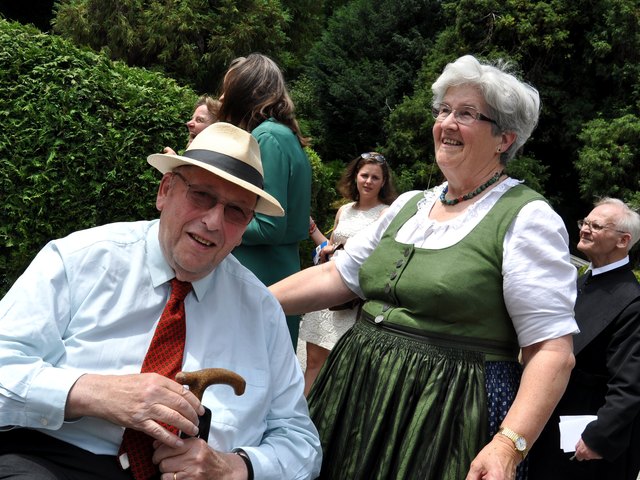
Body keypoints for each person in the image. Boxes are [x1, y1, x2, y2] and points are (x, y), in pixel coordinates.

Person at [270, 54, 578, 479]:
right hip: (357, 389)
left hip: (446, 410)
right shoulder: (410, 204)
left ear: (504, 139)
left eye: (466, 114)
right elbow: (337, 274)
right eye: (444, 110)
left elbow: (552, 352)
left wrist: (509, 445)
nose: (447, 123)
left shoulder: (527, 217)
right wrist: (255, 302)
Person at [0, 122, 322, 480]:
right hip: (58, 461)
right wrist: (92, 392)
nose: (213, 221)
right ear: (165, 190)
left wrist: (234, 467)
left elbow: (301, 443)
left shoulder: (261, 311)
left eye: (236, 211)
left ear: (246, 225)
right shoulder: (79, 260)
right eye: (201, 195)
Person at [529, 198, 640, 480]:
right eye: (585, 222)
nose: (585, 229)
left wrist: (599, 437)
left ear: (623, 240)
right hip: (549, 423)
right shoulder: (580, 281)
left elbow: (630, 382)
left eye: (596, 226)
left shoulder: (633, 301)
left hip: (583, 443)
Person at [216, 53, 312, 347]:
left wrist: (218, 226)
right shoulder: (283, 135)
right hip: (278, 270)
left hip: (260, 275)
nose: (222, 97)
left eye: (228, 89)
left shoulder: (266, 136)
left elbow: (270, 227)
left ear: (246, 90)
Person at [301, 151, 397, 395]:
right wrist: (313, 231)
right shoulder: (343, 210)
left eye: (375, 177)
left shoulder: (387, 213)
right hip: (325, 292)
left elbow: (383, 257)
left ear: (383, 182)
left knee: (342, 369)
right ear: (355, 176)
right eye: (364, 175)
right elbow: (330, 246)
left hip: (352, 299)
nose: (368, 181)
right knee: (312, 363)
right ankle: (301, 415)